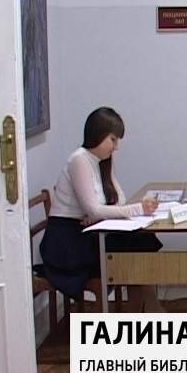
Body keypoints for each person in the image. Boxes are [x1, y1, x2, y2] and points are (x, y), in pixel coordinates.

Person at [40, 107, 164, 311]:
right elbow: (94, 209)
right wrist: (136, 209)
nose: (116, 147)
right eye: (113, 140)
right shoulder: (79, 160)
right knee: (135, 245)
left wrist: (98, 214)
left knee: (143, 239)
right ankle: (145, 306)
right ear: (97, 134)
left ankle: (141, 305)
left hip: (87, 230)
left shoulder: (102, 161)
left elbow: (118, 200)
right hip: (67, 240)